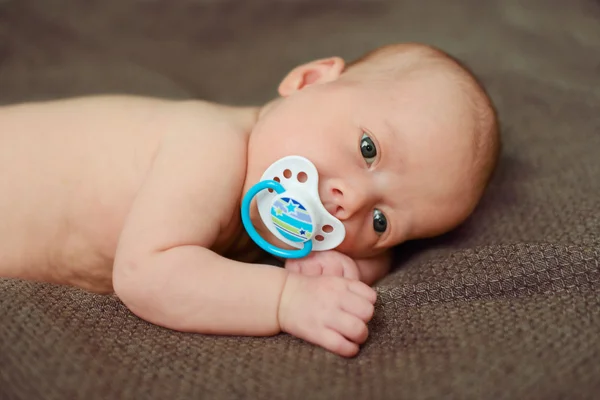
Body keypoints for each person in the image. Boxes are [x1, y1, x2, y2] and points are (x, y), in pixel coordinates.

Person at [0, 43, 499, 357]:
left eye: (383, 219)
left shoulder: (285, 211)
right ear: (307, 81)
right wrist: (285, 299)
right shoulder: (210, 144)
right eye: (368, 149)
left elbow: (371, 259)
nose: (351, 202)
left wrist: (342, 266)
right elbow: (147, 275)